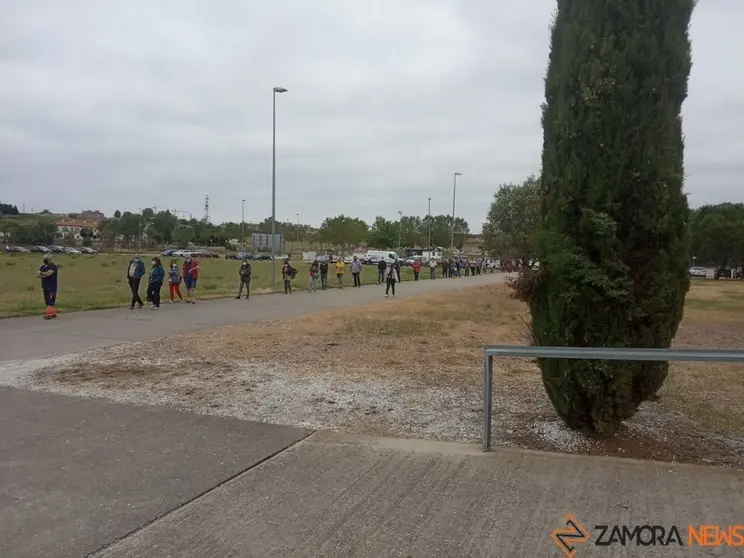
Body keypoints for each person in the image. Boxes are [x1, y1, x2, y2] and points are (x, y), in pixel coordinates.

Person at [37, 255, 58, 319]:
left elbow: (48, 273)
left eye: (46, 259)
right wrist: (43, 274)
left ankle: (49, 314)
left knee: (51, 300)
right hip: (45, 286)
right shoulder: (42, 266)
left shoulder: (53, 266)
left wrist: (41, 273)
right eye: (44, 258)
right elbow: (38, 275)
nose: (45, 259)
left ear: (50, 259)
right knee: (47, 300)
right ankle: (53, 313)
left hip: (52, 286)